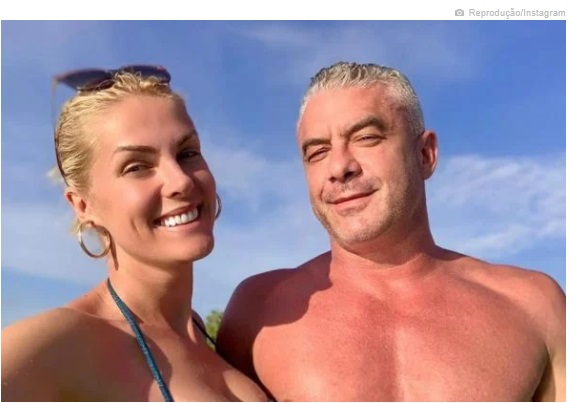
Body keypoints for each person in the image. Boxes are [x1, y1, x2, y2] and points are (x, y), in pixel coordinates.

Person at [217, 61, 566, 401]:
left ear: (425, 155)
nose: (339, 167)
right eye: (318, 152)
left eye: (366, 138)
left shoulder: (534, 307)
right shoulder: (258, 313)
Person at [1, 66, 267, 402]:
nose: (181, 181)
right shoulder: (62, 342)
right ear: (83, 205)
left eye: (187, 153)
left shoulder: (209, 336)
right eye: (137, 166)